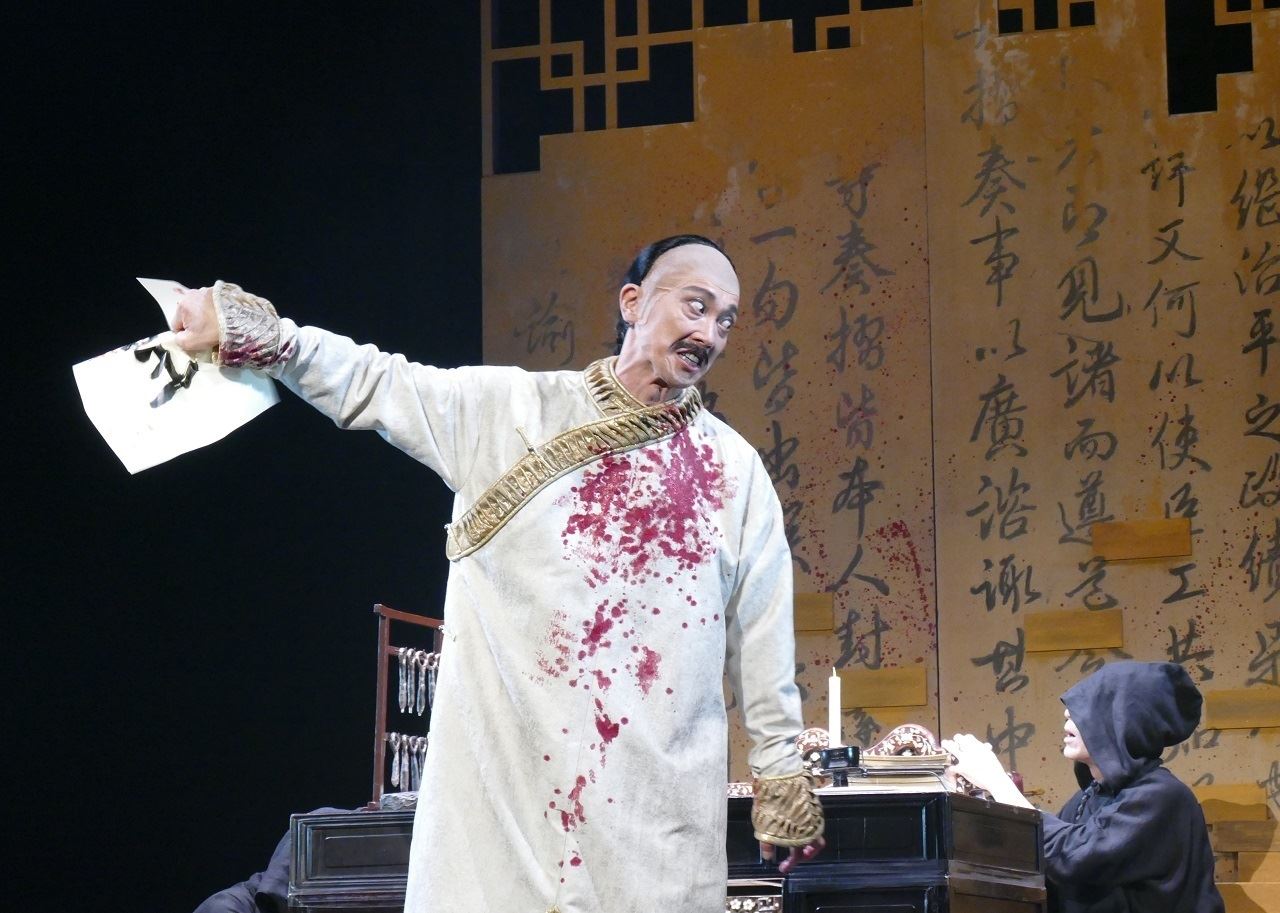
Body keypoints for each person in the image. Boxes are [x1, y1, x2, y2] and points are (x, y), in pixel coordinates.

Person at [172, 235, 824, 913]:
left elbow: (763, 628)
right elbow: (378, 383)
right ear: (632, 302)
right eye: (695, 305)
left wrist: (780, 771)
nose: (709, 333)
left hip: (653, 827)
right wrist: (267, 338)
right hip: (507, 821)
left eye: (725, 320)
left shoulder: (733, 472)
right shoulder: (510, 414)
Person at [943, 661, 1224, 913]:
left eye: (1086, 709)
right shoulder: (1088, 798)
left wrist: (998, 782)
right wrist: (968, 796)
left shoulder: (1162, 796)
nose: (1067, 713)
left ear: (1123, 722)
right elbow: (1038, 861)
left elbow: (1074, 857)